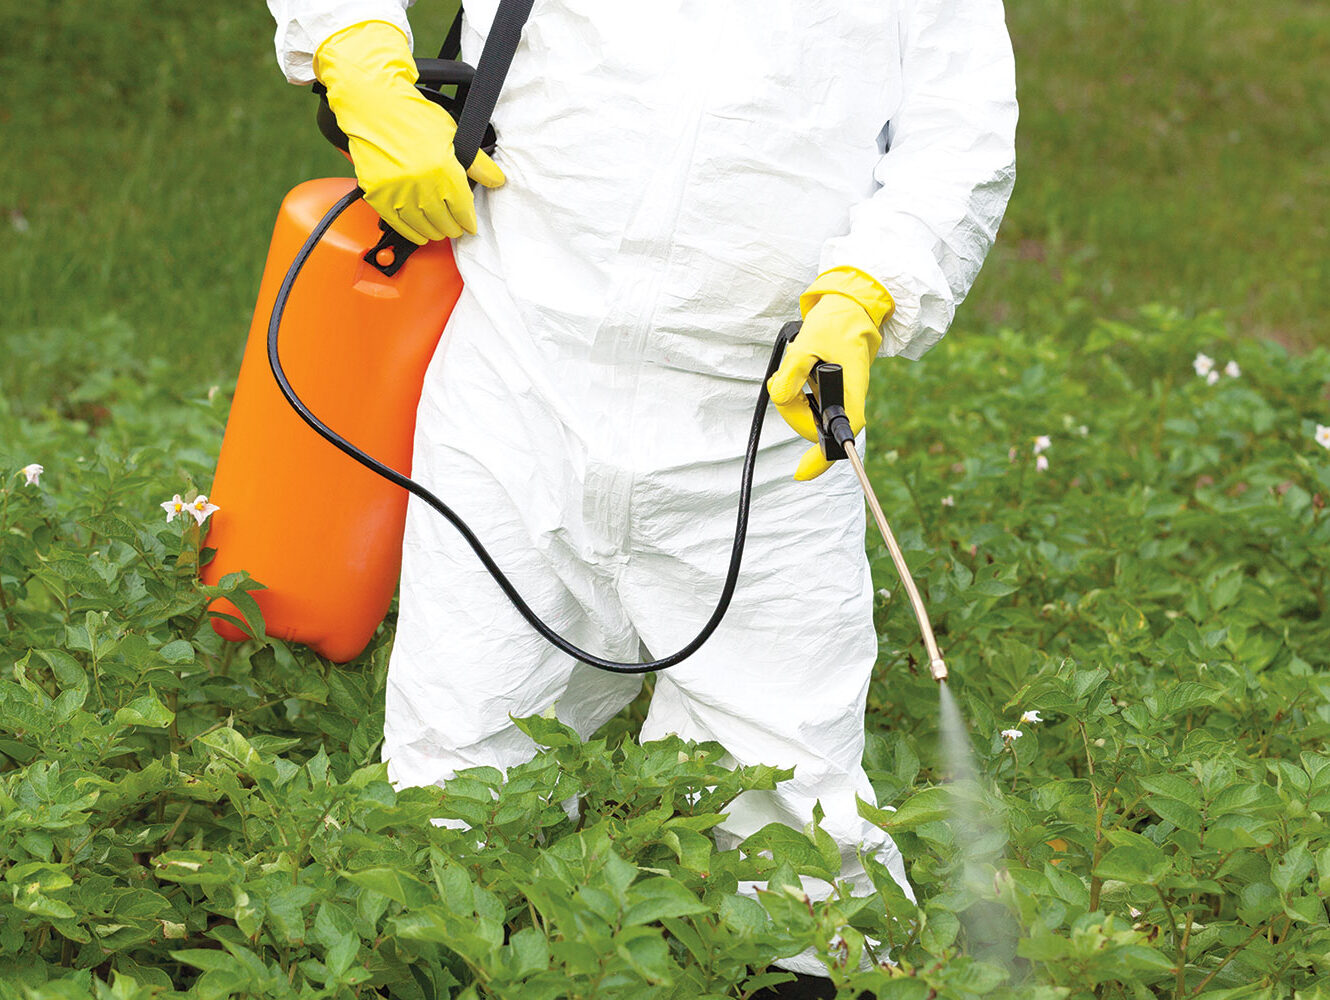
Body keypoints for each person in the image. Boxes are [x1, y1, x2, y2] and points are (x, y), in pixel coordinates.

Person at [268, 0, 1016, 992]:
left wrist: (869, 288)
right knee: (454, 790)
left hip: (756, 424)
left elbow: (958, 131)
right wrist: (354, 50)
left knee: (790, 834)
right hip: (517, 375)